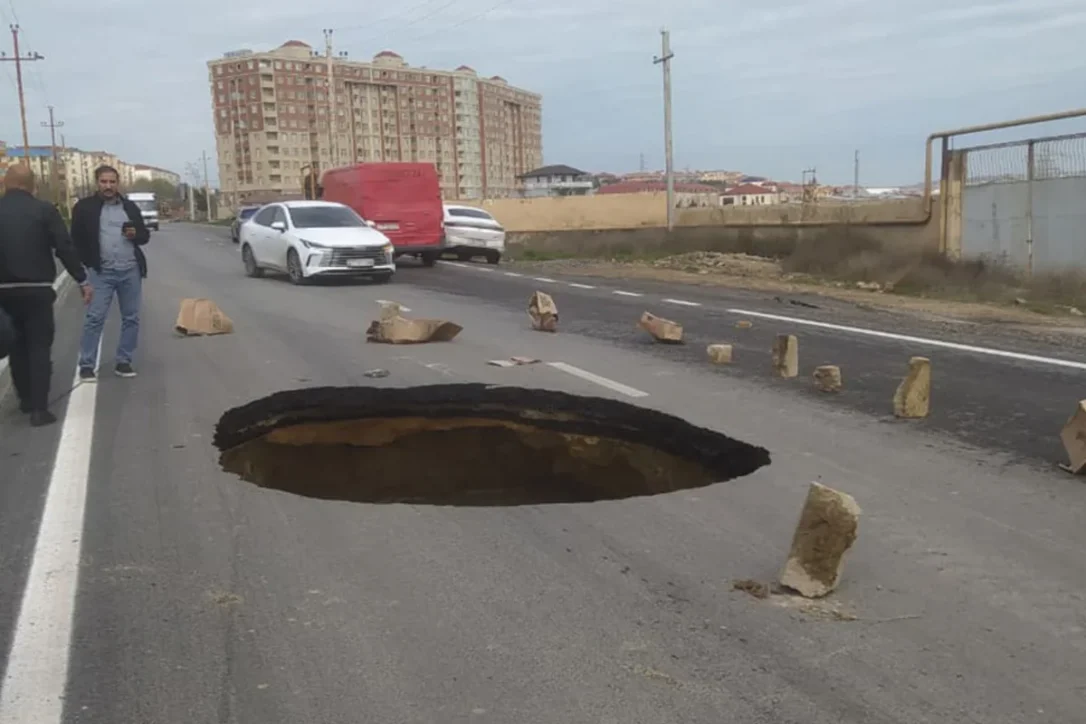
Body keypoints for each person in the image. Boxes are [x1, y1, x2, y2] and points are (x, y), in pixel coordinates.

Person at [0, 163, 93, 426]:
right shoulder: (44, 210)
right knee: (39, 346)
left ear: (5, 184)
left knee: (17, 347)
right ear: (33, 185)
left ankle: (25, 400)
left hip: (3, 292)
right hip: (37, 289)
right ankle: (40, 410)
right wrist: (83, 280)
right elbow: (64, 247)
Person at [71, 165, 150, 380]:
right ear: (97, 183)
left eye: (112, 182)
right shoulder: (84, 208)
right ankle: (86, 364)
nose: (108, 186)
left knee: (131, 318)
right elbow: (75, 240)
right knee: (95, 318)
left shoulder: (130, 207)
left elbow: (144, 236)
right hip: (101, 272)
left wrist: (136, 234)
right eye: (104, 182)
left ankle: (123, 361)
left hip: (129, 270)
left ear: (118, 183)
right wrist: (85, 269)